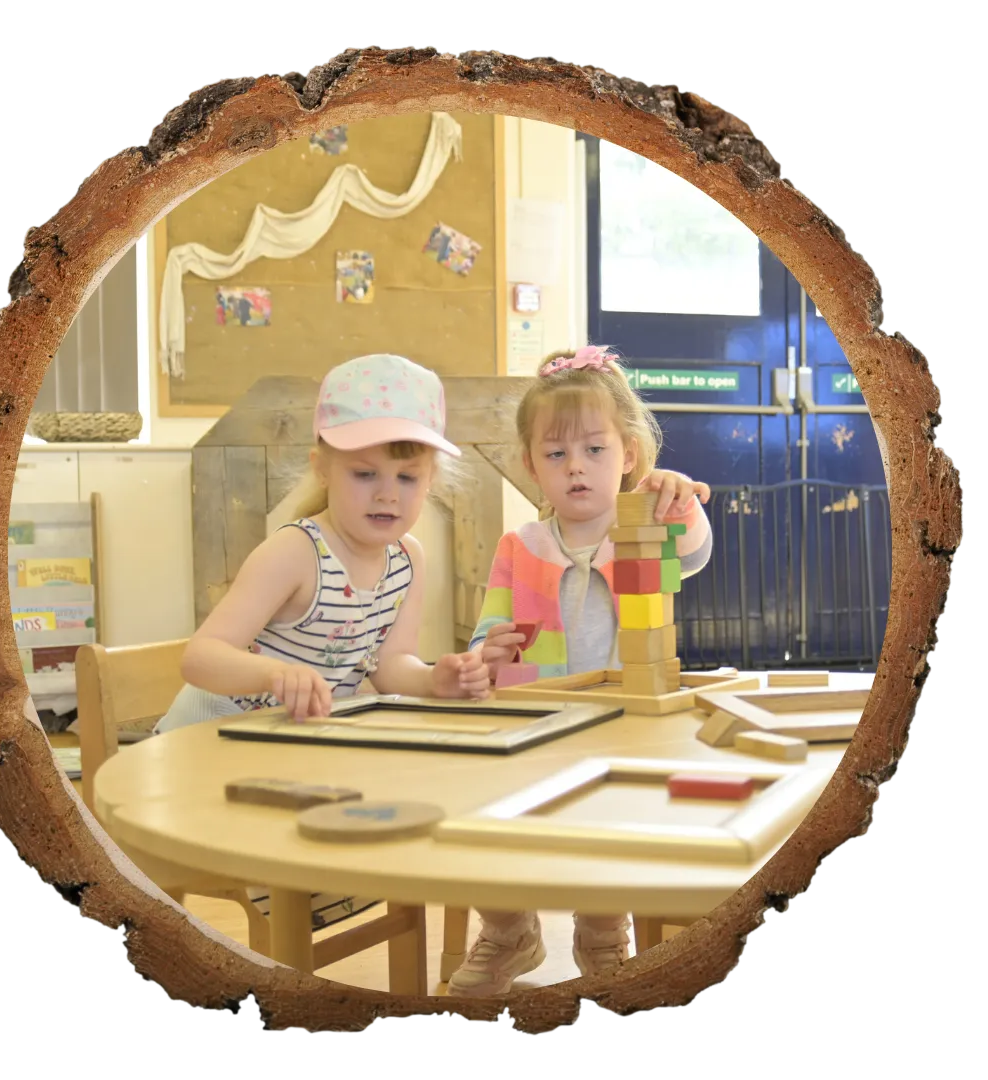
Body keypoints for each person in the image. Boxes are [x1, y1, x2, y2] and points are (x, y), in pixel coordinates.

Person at [154, 353, 490, 930]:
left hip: (291, 751)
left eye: (407, 478)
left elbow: (391, 667)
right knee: (320, 856)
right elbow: (201, 657)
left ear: (430, 482)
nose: (388, 495)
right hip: (207, 753)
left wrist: (436, 678)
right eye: (365, 474)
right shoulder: (296, 552)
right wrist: (271, 675)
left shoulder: (409, 559)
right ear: (322, 470)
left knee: (399, 822)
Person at [446, 344, 714, 997]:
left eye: (594, 450)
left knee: (609, 825)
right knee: (489, 813)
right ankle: (509, 928)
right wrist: (487, 652)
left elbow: (697, 553)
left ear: (629, 455)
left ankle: (602, 936)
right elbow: (488, 627)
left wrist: (681, 502)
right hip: (535, 719)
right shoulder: (522, 545)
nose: (576, 468)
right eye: (557, 454)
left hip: (626, 722)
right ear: (531, 466)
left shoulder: (642, 526)